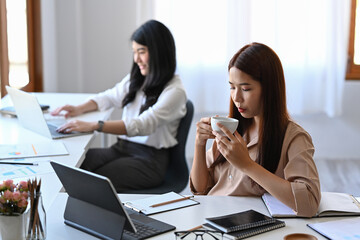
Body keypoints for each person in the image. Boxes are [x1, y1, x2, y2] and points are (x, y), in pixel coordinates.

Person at [51, 20, 187, 192]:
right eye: (134, 52)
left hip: (149, 161)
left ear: (159, 52)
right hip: (122, 149)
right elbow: (109, 97)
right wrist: (79, 108)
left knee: (94, 182)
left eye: (142, 52)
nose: (136, 59)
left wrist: (95, 125)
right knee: (75, 164)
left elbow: (142, 124)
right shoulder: (139, 78)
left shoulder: (175, 91)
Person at [190, 42, 321, 217]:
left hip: (247, 225)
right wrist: (199, 145)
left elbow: (309, 204)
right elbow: (199, 190)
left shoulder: (294, 138)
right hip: (209, 218)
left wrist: (247, 165)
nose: (236, 97)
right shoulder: (230, 128)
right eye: (232, 87)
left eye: (245, 88)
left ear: (269, 89)